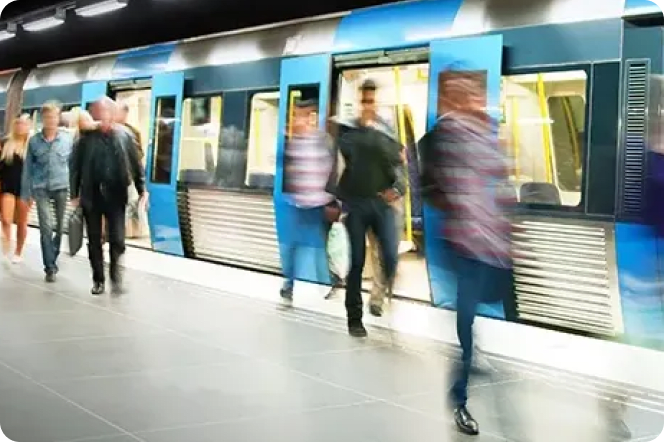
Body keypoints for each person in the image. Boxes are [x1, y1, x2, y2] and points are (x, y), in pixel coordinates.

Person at [428, 72, 514, 435]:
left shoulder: (488, 134)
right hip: (465, 243)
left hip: (493, 242)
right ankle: (459, 398)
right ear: (451, 100)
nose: (473, 101)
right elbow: (433, 184)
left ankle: (470, 356)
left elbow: (502, 180)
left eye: (476, 94)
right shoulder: (442, 138)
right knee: (466, 320)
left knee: (487, 307)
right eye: (463, 95)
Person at [333, 79, 405, 337]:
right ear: (359, 101)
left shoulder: (387, 131)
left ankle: (378, 296)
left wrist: (396, 191)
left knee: (390, 257)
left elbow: (399, 165)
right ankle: (355, 318)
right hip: (356, 204)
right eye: (364, 101)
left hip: (381, 202)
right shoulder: (347, 131)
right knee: (358, 262)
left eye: (371, 101)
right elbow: (344, 157)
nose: (368, 105)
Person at [70, 97, 146, 295]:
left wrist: (142, 189)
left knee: (118, 239)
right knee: (94, 240)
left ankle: (115, 275)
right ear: (94, 116)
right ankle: (98, 280)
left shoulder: (125, 136)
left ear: (113, 115)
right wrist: (74, 193)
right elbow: (75, 166)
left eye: (106, 113)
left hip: (116, 194)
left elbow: (136, 164)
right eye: (99, 113)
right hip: (91, 194)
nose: (103, 117)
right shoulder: (85, 138)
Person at [280, 99, 336, 302]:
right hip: (299, 204)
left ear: (311, 117)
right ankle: (289, 284)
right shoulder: (293, 144)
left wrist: (332, 201)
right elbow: (289, 173)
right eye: (295, 115)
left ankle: (325, 285)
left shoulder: (324, 141)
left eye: (300, 115)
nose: (297, 119)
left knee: (319, 246)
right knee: (294, 247)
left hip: (319, 206)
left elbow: (334, 172)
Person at [21, 101, 74, 282]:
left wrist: (76, 191)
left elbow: (73, 167)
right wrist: (25, 193)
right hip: (41, 187)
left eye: (54, 117)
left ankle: (54, 254)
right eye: (47, 117)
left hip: (61, 186)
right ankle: (49, 266)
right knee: (46, 227)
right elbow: (27, 168)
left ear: (58, 118)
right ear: (42, 119)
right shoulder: (34, 141)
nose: (51, 120)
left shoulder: (67, 139)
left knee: (60, 227)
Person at [0, 114, 32, 263]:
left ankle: (18, 251)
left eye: (24, 124)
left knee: (21, 222)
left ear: (29, 126)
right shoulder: (6, 143)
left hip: (25, 188)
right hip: (8, 186)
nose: (21, 127)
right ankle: (7, 242)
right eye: (18, 123)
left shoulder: (32, 145)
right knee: (6, 219)